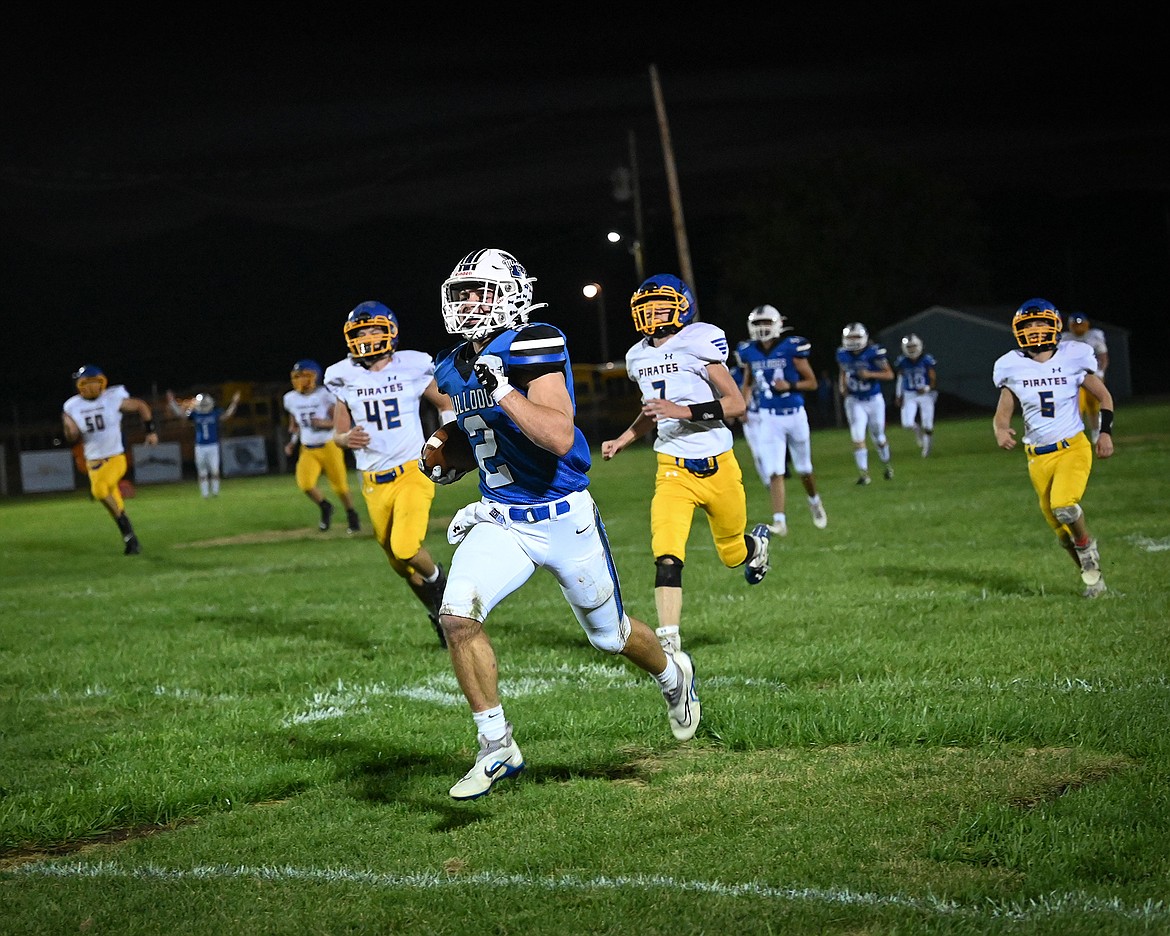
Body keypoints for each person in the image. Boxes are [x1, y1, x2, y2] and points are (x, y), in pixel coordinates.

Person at [430, 249, 702, 801]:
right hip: (501, 517)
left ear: (508, 296)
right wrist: (445, 451)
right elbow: (473, 428)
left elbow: (556, 435)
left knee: (612, 636)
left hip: (562, 517)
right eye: (459, 293)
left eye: (477, 291)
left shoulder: (534, 343)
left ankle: (673, 675)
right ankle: (496, 745)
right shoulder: (451, 365)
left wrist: (503, 388)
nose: (465, 303)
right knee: (457, 617)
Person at [601, 274, 771, 658]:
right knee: (666, 553)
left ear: (682, 306)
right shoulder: (637, 356)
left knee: (732, 554)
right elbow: (654, 412)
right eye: (646, 305)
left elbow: (735, 404)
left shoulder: (698, 341)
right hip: (672, 467)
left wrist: (685, 410)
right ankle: (669, 640)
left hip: (719, 463)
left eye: (661, 303)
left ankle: (755, 545)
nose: (652, 312)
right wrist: (625, 438)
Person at [325, 301, 454, 647]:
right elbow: (337, 434)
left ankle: (443, 585)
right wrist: (344, 438)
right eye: (361, 331)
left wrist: (450, 442)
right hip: (372, 482)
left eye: (374, 330)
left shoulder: (413, 365)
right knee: (402, 566)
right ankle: (437, 614)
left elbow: (443, 404)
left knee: (406, 546)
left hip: (413, 470)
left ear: (390, 332)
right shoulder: (342, 374)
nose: (367, 337)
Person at [993, 298, 1115, 598]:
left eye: (1041, 323)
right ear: (1018, 330)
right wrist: (1000, 429)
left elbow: (1104, 397)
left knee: (1065, 506)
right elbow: (1003, 411)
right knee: (1061, 533)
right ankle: (1093, 578)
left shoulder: (1074, 356)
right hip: (1037, 457)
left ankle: (1086, 547)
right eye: (1029, 325)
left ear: (1055, 326)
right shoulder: (1011, 364)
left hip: (1072, 447)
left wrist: (1105, 433)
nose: (1035, 330)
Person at [733, 304, 828, 536]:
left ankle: (814, 501)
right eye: (758, 323)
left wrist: (791, 386)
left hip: (794, 415)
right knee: (774, 470)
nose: (762, 328)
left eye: (766, 322)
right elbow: (748, 382)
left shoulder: (791, 348)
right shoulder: (749, 351)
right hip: (768, 417)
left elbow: (812, 382)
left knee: (804, 469)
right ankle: (779, 521)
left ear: (778, 324)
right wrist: (742, 404)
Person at [62, 365, 158, 554]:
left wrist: (150, 431)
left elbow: (141, 405)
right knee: (114, 504)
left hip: (115, 457)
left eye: (94, 383)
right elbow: (71, 436)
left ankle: (130, 537)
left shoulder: (112, 398)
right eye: (86, 384)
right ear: (79, 386)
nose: (91, 388)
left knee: (98, 491)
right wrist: (68, 429)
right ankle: (131, 540)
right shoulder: (72, 406)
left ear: (102, 383)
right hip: (93, 462)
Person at [281, 359, 361, 533]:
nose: (301, 380)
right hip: (307, 448)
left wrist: (323, 423)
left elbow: (337, 422)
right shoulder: (290, 398)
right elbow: (295, 424)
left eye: (305, 376)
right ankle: (325, 507)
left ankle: (352, 514)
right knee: (306, 484)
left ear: (315, 377)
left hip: (329, 445)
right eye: (298, 376)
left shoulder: (325, 395)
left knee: (340, 486)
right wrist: (292, 441)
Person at [836, 322, 895, 484]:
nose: (853, 340)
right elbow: (843, 370)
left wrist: (869, 374)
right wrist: (842, 385)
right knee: (857, 435)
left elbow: (890, 375)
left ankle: (887, 464)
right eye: (850, 337)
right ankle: (864, 474)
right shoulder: (842, 353)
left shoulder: (874, 352)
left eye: (856, 337)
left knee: (878, 436)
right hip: (854, 400)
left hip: (874, 399)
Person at [166, 389, 241, 497]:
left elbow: (227, 415)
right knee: (202, 471)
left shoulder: (214, 413)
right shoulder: (195, 414)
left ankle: (215, 492)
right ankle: (205, 493)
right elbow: (181, 415)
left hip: (212, 445)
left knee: (214, 470)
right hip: (201, 446)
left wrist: (234, 403)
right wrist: (172, 402)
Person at [1058, 312, 1109, 442]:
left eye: (1081, 324)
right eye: (1075, 324)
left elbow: (1103, 357)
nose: (1078, 327)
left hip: (1092, 375)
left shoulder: (1094, 336)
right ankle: (1075, 433)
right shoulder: (1065, 338)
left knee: (1094, 405)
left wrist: (1100, 372)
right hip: (1073, 377)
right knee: (1076, 405)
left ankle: (1097, 431)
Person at [893, 333, 938, 457]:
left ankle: (926, 450)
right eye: (909, 347)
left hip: (926, 394)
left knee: (928, 424)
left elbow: (933, 377)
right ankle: (918, 433)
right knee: (907, 424)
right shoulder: (902, 361)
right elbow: (900, 378)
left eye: (914, 346)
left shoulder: (926, 359)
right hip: (909, 394)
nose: (912, 349)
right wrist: (898, 394)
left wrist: (927, 387)